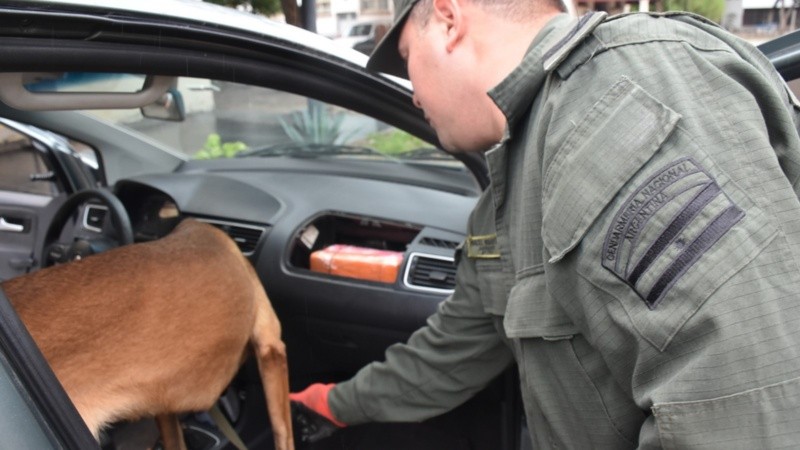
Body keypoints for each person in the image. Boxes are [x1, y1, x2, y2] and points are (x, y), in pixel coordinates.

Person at [292, 0, 800, 447]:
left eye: (406, 59)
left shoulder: (618, 102)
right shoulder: (507, 193)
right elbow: (452, 351)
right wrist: (335, 404)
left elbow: (747, 405)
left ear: (447, 19)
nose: (413, 93)